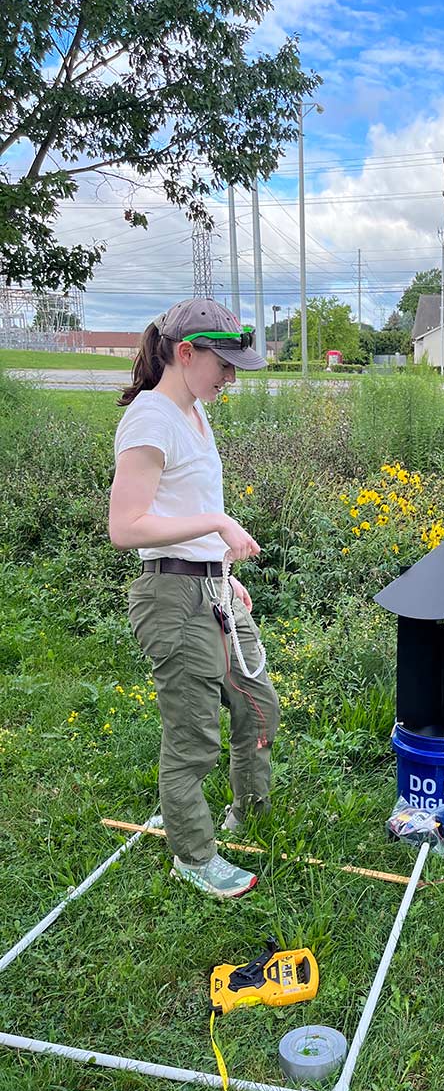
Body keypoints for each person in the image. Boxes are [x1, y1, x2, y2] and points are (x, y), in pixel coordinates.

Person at [108, 298, 281, 899]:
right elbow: (125, 527)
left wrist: (220, 569)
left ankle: (248, 814)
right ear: (186, 354)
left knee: (258, 706)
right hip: (171, 597)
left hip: (208, 585)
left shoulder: (193, 413)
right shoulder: (152, 420)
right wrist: (218, 523)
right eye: (224, 365)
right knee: (193, 736)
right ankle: (193, 853)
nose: (230, 377)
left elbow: (176, 508)